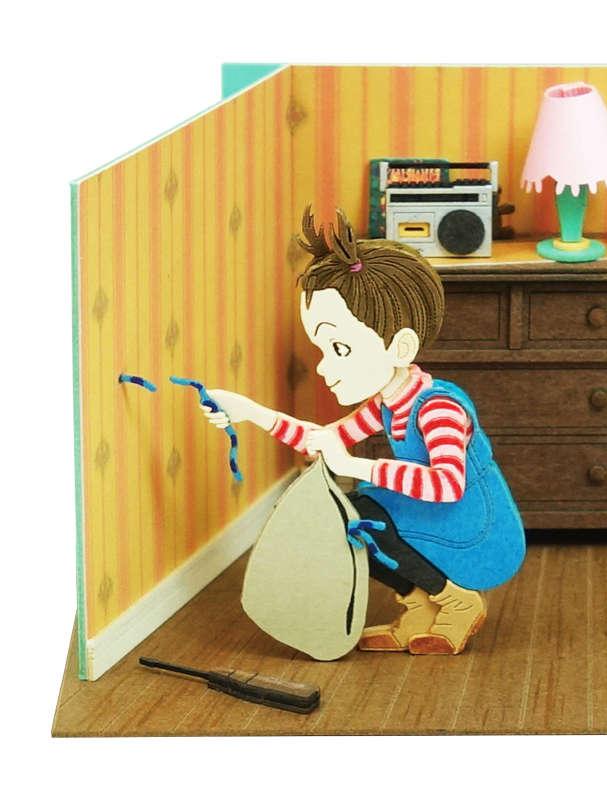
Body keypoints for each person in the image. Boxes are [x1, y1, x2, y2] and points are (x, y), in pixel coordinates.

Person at [204, 206, 525, 655]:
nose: (323, 367)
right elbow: (325, 440)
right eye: (322, 349)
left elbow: (447, 485)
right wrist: (248, 411)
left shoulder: (439, 409)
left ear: (401, 347)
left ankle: (458, 603)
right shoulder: (390, 400)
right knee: (347, 518)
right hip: (433, 515)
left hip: (473, 527)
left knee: (361, 517)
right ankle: (421, 606)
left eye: (339, 348)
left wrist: (357, 466)